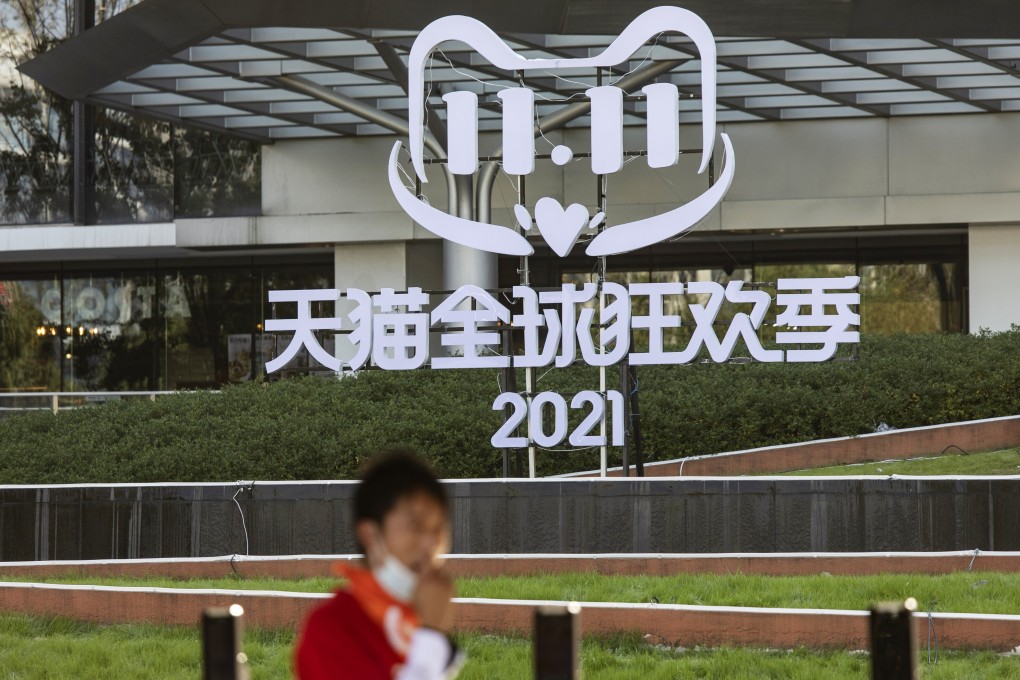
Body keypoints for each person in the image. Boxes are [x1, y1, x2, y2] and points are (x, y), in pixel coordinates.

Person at [295, 450, 463, 679]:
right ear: (371, 535)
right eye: (415, 526)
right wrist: (432, 637)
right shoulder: (331, 627)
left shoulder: (417, 619)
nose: (431, 543)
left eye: (438, 529)